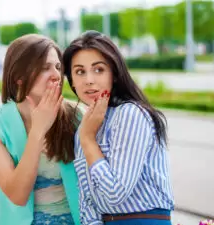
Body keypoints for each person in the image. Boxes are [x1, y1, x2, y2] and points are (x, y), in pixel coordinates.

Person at [62, 30, 175, 225]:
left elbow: (116, 193)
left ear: (114, 74)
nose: (89, 79)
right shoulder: (85, 127)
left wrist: (88, 140)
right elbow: (87, 202)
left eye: (98, 69)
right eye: (80, 71)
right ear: (72, 81)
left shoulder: (130, 115)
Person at [0, 34, 81, 225]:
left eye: (58, 67)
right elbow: (18, 195)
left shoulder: (77, 115)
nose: (56, 75)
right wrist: (38, 131)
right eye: (44, 68)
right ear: (19, 77)